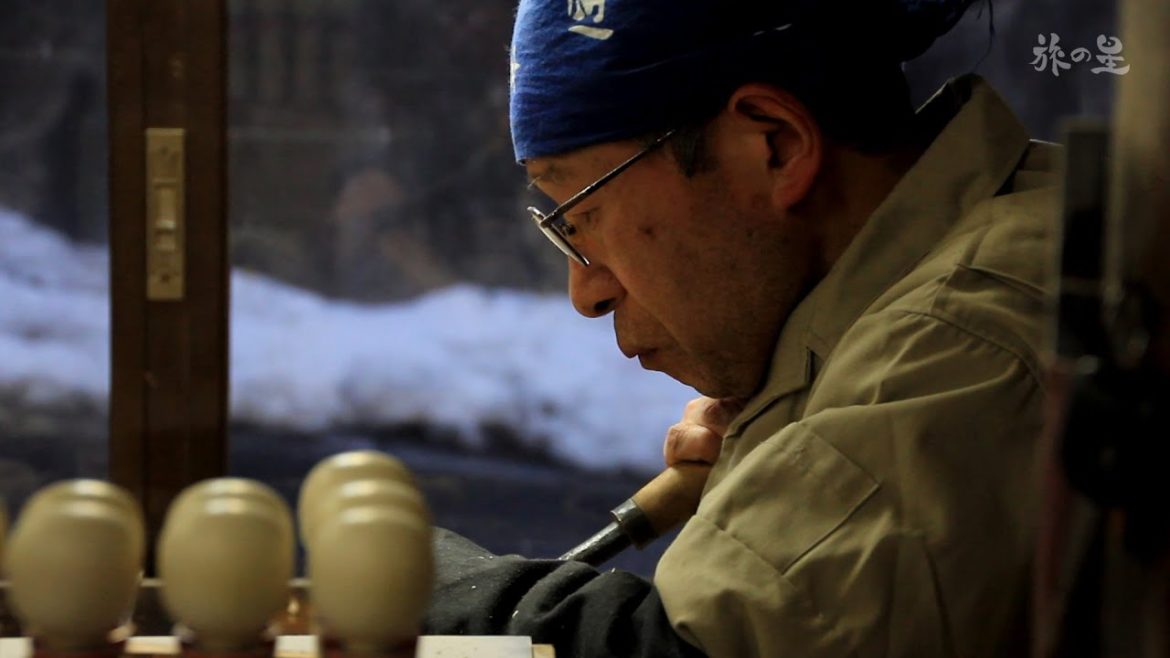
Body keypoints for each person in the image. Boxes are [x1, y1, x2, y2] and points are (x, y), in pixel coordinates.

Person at [424, 1, 1057, 656]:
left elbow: (689, 650)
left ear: (775, 146)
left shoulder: (970, 334)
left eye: (582, 216)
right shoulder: (911, 297)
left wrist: (404, 577)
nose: (586, 294)